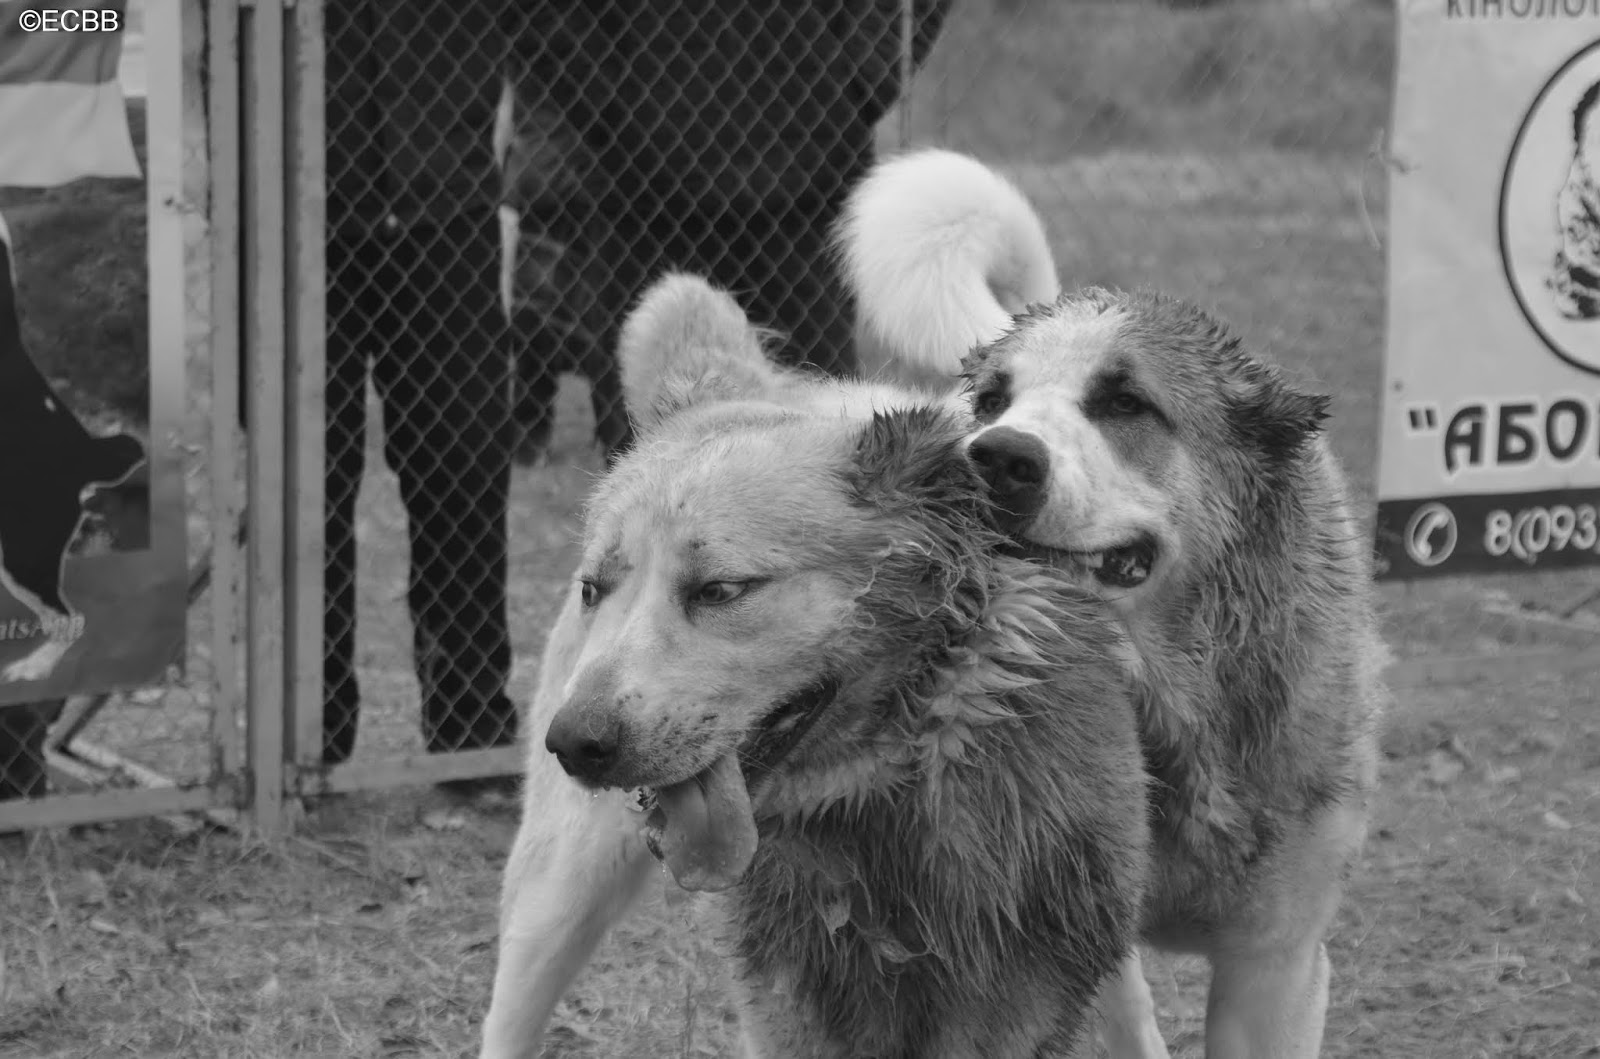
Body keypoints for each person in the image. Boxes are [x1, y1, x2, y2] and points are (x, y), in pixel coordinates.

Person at [501, 0, 955, 463]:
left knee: (824, 457)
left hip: (806, 187)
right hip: (641, 195)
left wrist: (860, 77)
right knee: (648, 463)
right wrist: (612, 103)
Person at [320, 2, 519, 773]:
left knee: (463, 465)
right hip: (296, 208)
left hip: (445, 208)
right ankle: (307, 732)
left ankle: (470, 724)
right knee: (308, 477)